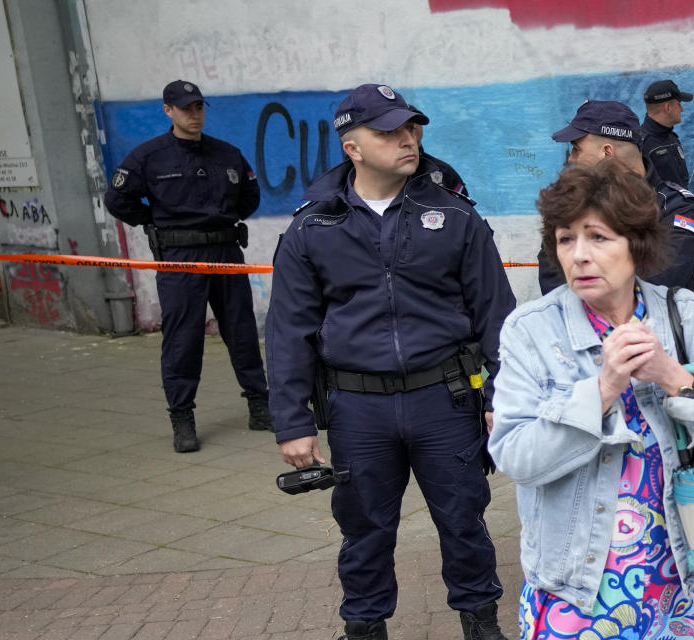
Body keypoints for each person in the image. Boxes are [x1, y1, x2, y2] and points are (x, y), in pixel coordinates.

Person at [266, 83, 516, 640]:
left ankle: (482, 625)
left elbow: (498, 317)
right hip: (357, 407)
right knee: (364, 528)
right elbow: (287, 331)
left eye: (411, 128)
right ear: (352, 147)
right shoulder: (314, 226)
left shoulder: (454, 216)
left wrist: (503, 399)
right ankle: (364, 626)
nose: (408, 139)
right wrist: (292, 420)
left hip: (444, 398)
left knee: (463, 520)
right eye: (389, 132)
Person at [490, 158, 694, 639]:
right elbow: (515, 457)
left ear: (636, 245)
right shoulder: (530, 332)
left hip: (676, 573)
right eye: (565, 239)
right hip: (574, 585)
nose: (578, 256)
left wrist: (676, 377)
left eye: (598, 237)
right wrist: (602, 389)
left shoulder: (685, 316)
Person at [104, 79, 272, 453]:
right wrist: (157, 221)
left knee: (242, 332)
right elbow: (118, 199)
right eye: (185, 108)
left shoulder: (227, 154)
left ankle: (260, 406)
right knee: (184, 339)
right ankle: (182, 418)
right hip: (180, 259)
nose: (193, 114)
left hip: (226, 253)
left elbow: (248, 197)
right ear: (168, 111)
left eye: (198, 107)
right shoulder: (148, 157)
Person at [539, 100, 694, 293]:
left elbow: (660, 280)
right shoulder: (572, 205)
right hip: (577, 322)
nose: (571, 159)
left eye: (576, 149)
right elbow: (552, 277)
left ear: (607, 152)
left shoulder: (676, 207)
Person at [641, 79, 694, 187]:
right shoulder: (643, 145)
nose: (682, 109)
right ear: (668, 108)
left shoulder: (671, 137)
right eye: (679, 104)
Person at [408, 104, 469, 196]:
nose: (414, 126)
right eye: (407, 124)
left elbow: (464, 208)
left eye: (415, 121)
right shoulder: (384, 172)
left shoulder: (443, 171)